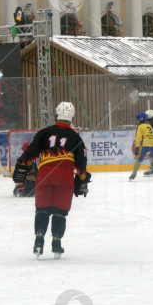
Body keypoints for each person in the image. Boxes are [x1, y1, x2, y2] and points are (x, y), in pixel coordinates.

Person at [14, 102, 90, 259]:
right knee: (60, 212)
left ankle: (38, 242)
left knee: (42, 210)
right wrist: (82, 180)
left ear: (56, 115)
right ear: (72, 117)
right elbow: (81, 164)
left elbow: (30, 153)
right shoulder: (75, 137)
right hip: (65, 176)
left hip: (45, 174)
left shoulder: (45, 132)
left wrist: (21, 167)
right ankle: (56, 243)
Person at [128, 112, 153, 181]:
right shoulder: (148, 125)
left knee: (139, 158)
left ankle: (134, 174)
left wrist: (137, 147)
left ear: (140, 119)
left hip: (147, 143)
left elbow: (138, 138)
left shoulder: (140, 126)